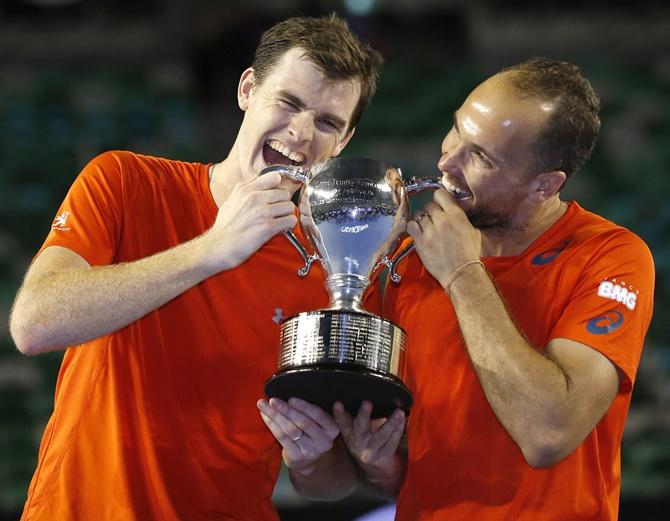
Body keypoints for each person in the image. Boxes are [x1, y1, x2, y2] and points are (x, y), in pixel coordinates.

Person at [8, 14, 382, 521]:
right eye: (288, 102)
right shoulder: (123, 181)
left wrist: (311, 456)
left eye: (326, 122)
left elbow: (329, 483)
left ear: (344, 140)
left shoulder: (338, 267)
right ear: (247, 89)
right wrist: (212, 249)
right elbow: (35, 323)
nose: (300, 132)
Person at [260, 58, 655, 520]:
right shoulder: (400, 256)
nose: (447, 160)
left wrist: (463, 272)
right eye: (456, 131)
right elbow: (342, 481)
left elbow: (548, 434)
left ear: (544, 185)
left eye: (481, 156)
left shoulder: (609, 255)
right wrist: (364, 462)